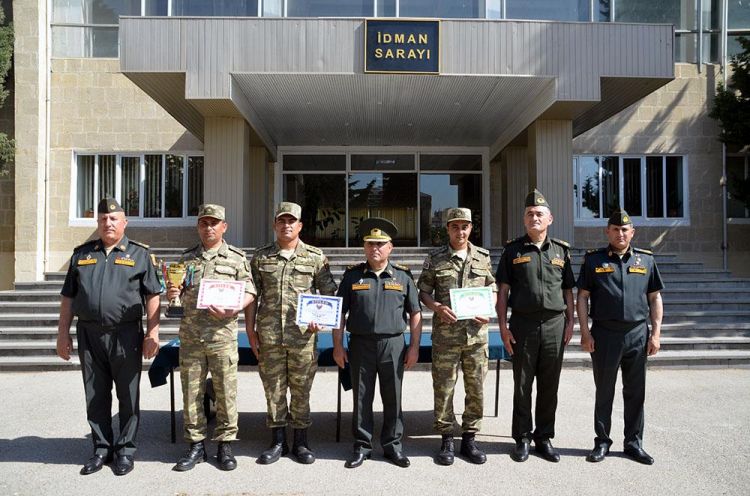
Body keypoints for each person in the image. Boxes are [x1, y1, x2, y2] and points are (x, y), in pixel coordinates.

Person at [56, 197, 162, 476]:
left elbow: (153, 295)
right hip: (89, 334)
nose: (108, 223)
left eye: (114, 219)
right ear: (98, 223)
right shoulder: (81, 254)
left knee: (128, 395)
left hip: (126, 335)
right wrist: (62, 334)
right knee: (95, 394)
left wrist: (153, 331)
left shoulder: (139, 254)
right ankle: (101, 449)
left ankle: (125, 450)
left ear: (124, 223)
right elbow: (68, 297)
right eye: (103, 219)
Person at [246, 202, 337, 465]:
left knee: (301, 390)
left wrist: (322, 320)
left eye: (291, 221)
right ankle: (277, 442)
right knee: (273, 390)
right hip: (270, 337)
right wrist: (250, 331)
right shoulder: (261, 257)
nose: (286, 225)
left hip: (303, 338)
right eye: (281, 221)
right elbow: (253, 296)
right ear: (275, 225)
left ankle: (301, 442)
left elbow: (329, 293)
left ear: (299, 226)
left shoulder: (315, 257)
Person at [170, 204, 256, 472]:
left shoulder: (237, 258)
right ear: (198, 227)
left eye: (214, 223)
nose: (209, 228)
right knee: (192, 391)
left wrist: (237, 306)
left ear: (224, 227)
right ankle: (196, 445)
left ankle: (225, 444)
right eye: (204, 223)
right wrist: (172, 291)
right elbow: (176, 295)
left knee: (225, 392)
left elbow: (251, 291)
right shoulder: (185, 259)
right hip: (192, 336)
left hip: (222, 336)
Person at [576, 209, 664, 465]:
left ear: (632, 232)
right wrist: (584, 332)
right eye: (615, 229)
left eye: (625, 229)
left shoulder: (646, 260)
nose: (620, 233)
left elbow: (655, 297)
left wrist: (656, 334)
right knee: (604, 391)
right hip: (604, 334)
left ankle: (633, 443)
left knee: (636, 392)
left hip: (637, 333)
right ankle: (602, 441)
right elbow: (582, 297)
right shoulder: (594, 260)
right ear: (608, 231)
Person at [333, 218, 422, 469]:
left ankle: (393, 446)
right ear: (364, 247)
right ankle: (362, 446)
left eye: (381, 244)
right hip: (360, 343)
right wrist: (338, 346)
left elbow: (415, 313)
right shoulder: (352, 276)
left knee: (393, 396)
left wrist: (414, 346)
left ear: (390, 248)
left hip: (393, 344)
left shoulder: (403, 276)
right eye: (371, 243)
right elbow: (339, 312)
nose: (376, 248)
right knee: (362, 397)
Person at [495, 189, 575, 463]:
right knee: (523, 384)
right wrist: (503, 328)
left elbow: (568, 292)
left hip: (554, 323)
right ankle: (522, 438)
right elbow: (503, 292)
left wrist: (571, 322)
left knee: (550, 384)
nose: (534, 218)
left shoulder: (561, 251)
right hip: (523, 324)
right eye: (529, 214)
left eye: (539, 214)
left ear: (550, 218)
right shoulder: (513, 250)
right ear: (524, 220)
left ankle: (544, 437)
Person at [417, 208, 497, 465]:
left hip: (476, 337)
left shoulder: (483, 257)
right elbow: (424, 292)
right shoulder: (436, 258)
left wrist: (489, 307)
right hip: (446, 337)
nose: (460, 231)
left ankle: (470, 439)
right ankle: (446, 439)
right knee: (444, 389)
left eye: (464, 226)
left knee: (475, 389)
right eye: (455, 227)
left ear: (471, 228)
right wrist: (437, 307)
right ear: (447, 229)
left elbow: (491, 287)